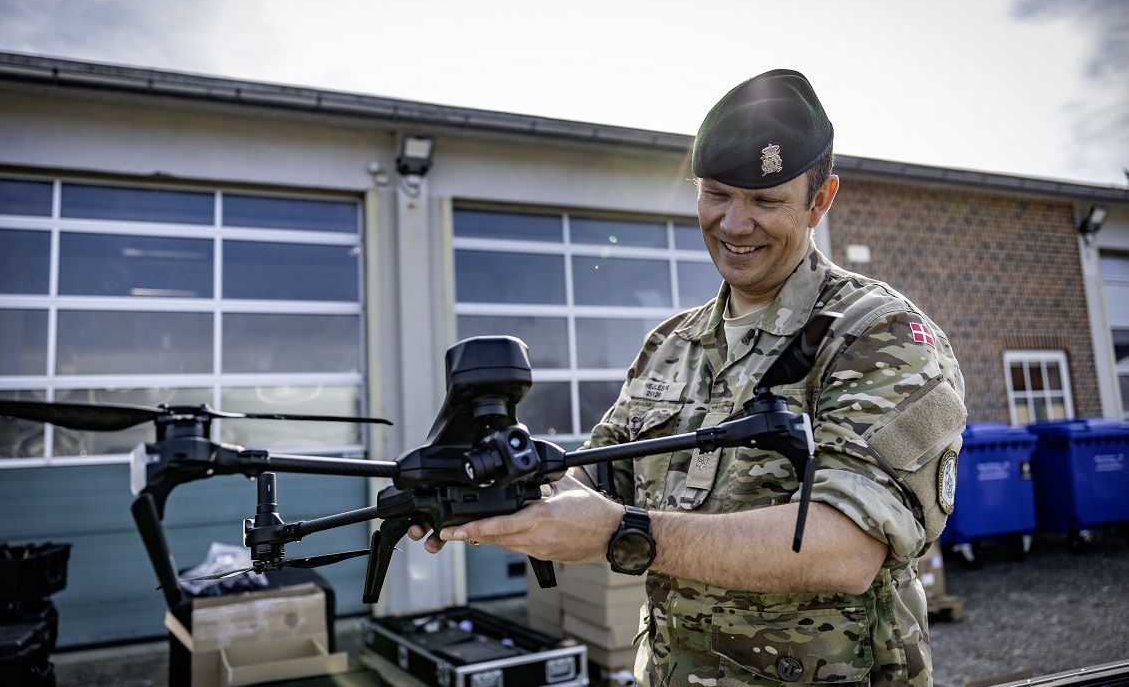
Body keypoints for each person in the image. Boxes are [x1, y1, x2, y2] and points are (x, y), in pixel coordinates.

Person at [412, 69, 966, 686]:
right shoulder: (671, 345)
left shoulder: (879, 335)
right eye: (716, 194)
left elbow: (845, 548)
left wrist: (626, 533)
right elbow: (595, 478)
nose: (733, 224)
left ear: (821, 200)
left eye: (766, 201)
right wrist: (477, 491)